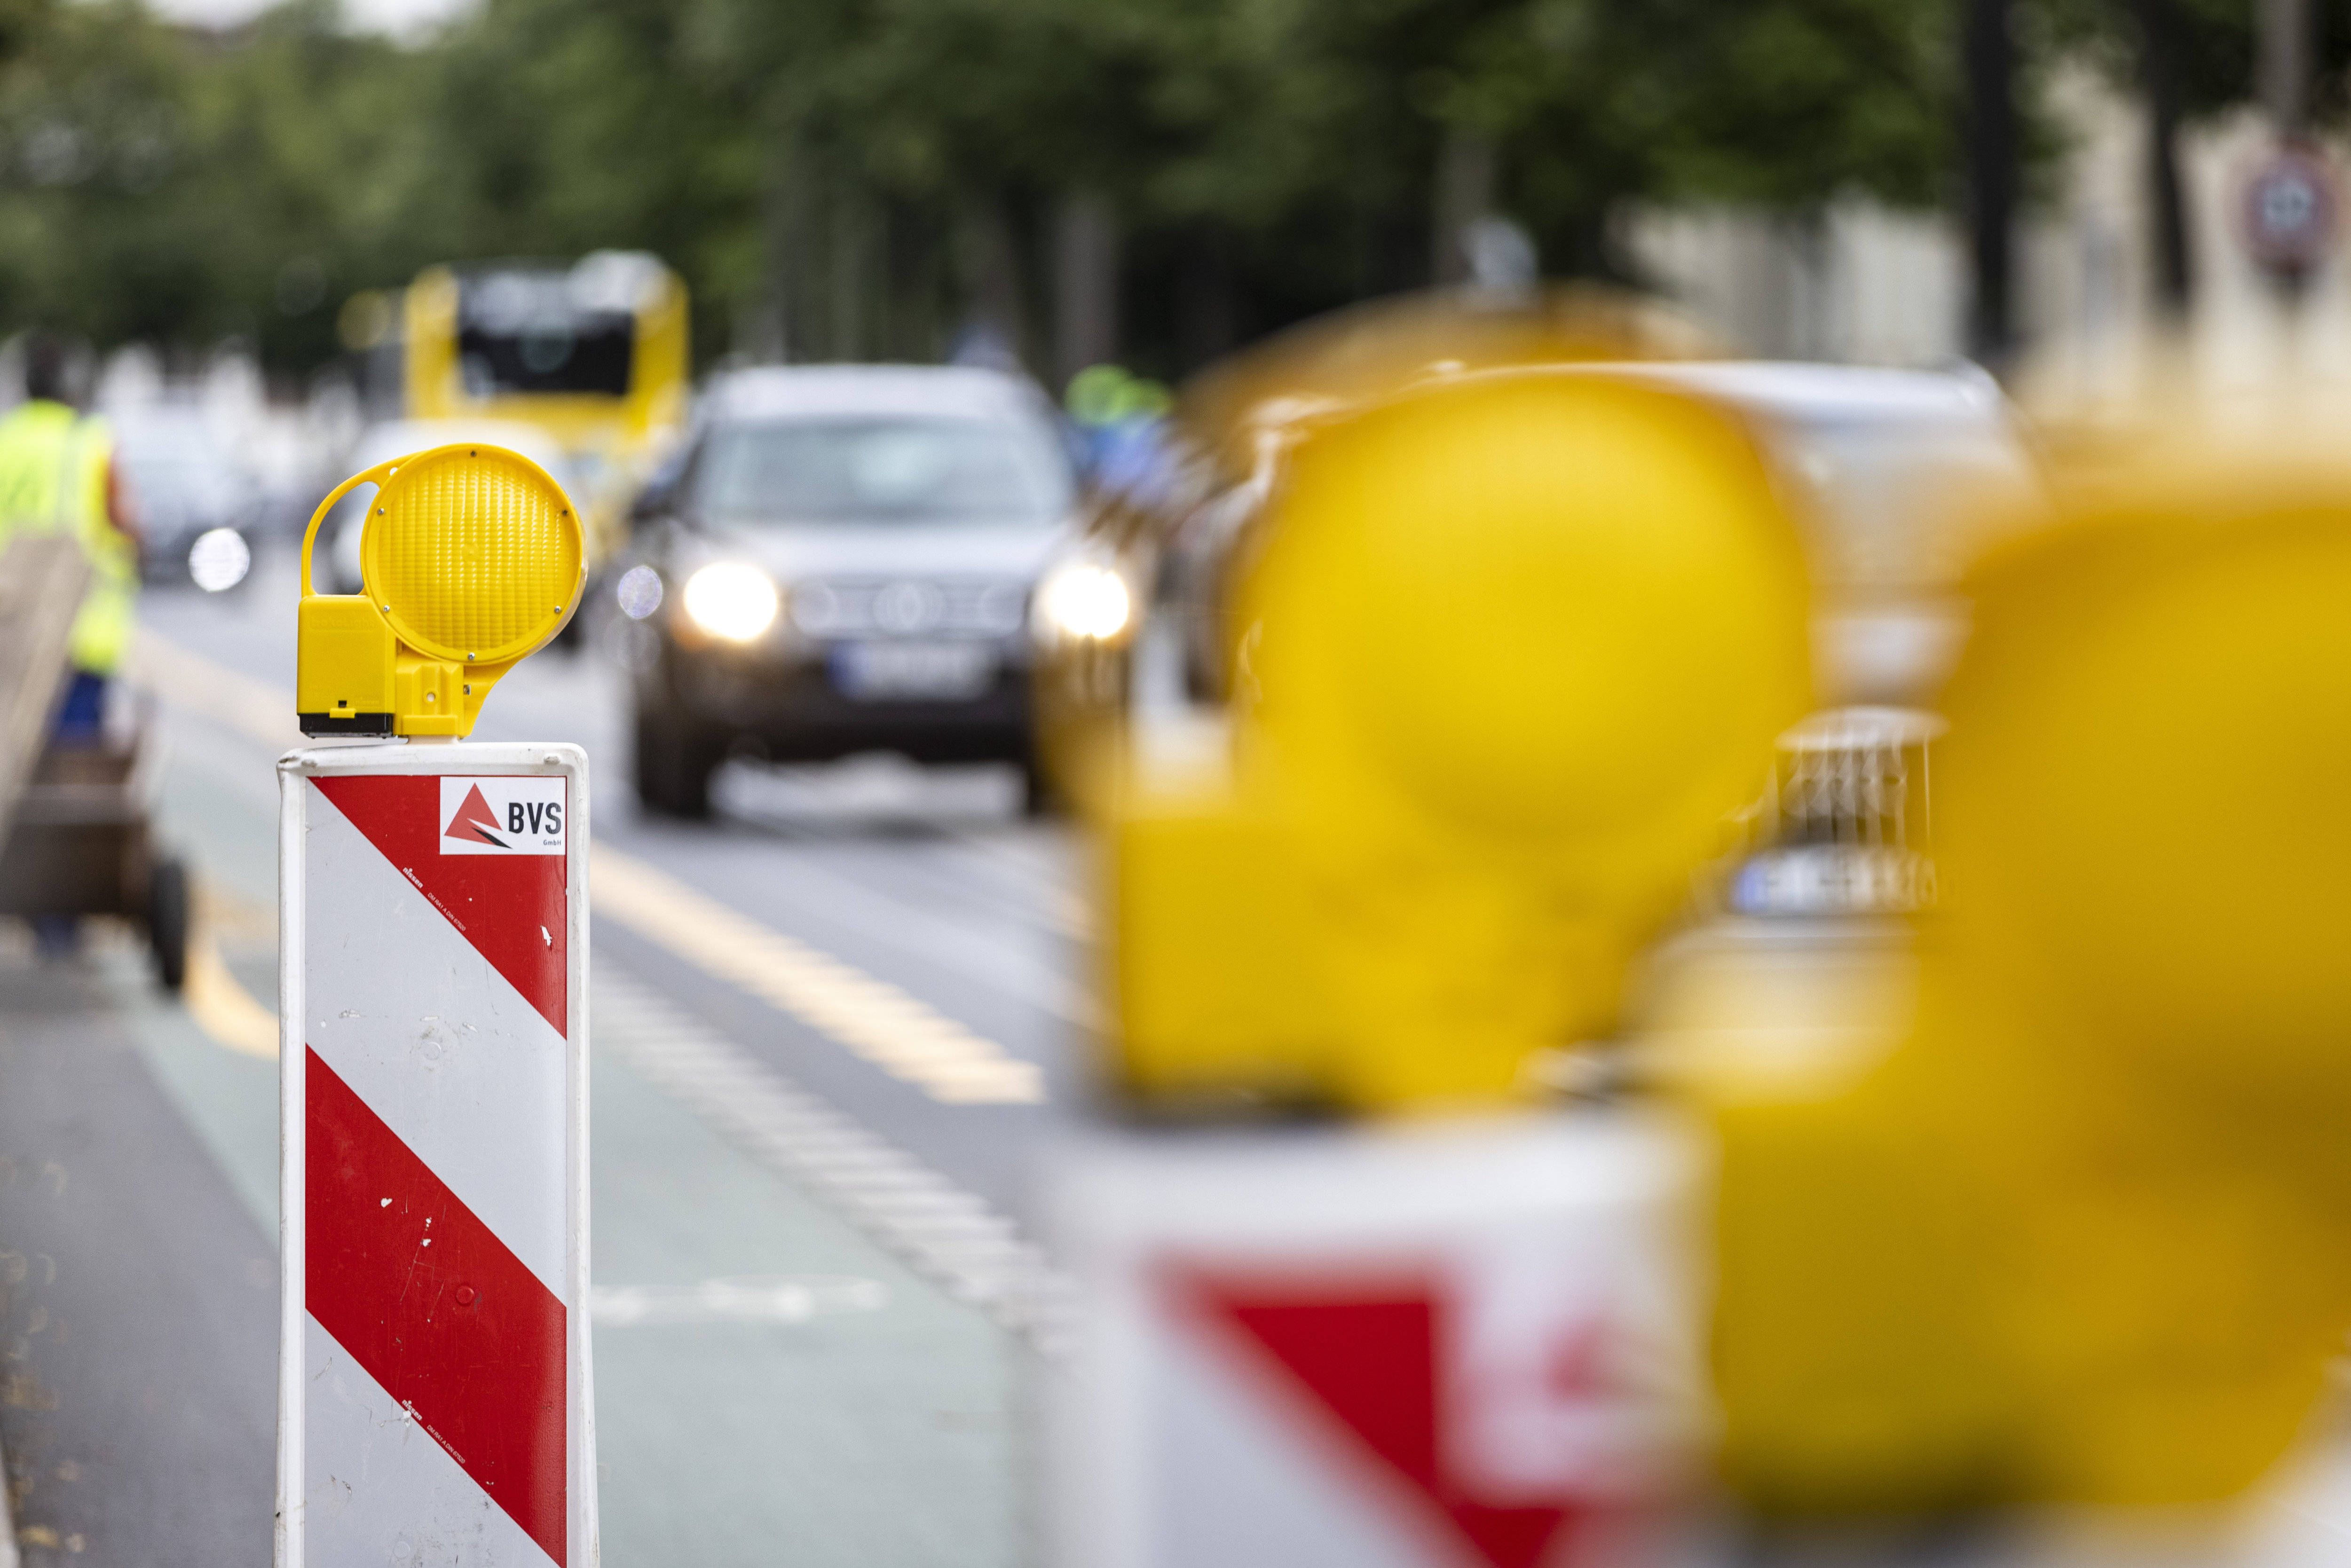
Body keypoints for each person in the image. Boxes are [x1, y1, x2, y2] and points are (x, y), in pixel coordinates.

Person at [0, 334, 141, 742]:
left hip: (10, 624)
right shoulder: (91, 439)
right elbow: (124, 521)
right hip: (82, 628)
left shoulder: (6, 438)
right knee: (71, 751)